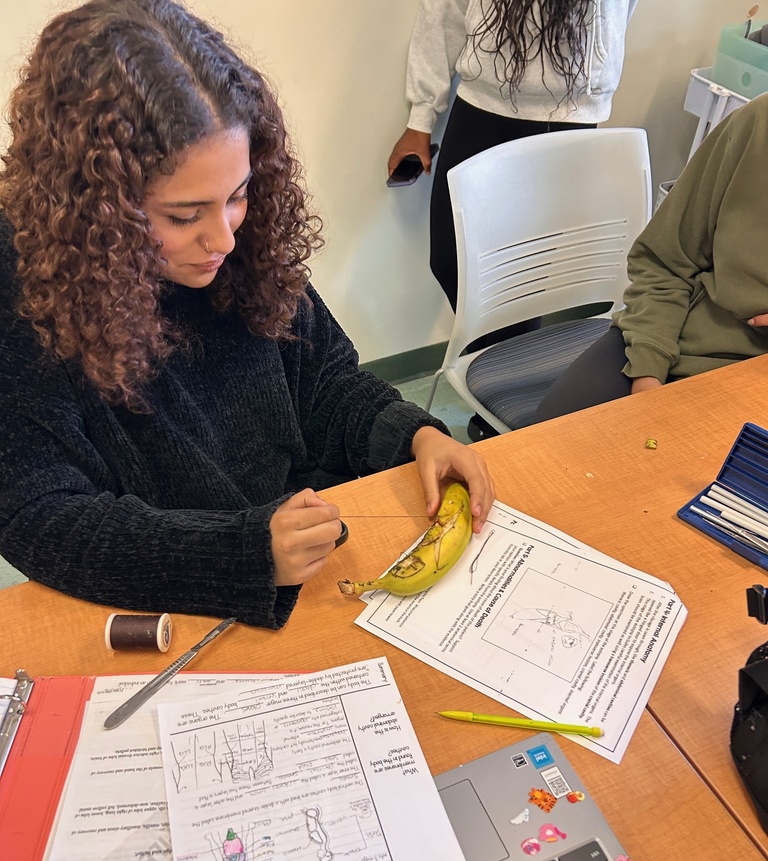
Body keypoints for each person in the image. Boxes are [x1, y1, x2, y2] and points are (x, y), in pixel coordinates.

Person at [0, 0, 494, 631]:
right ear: (97, 207)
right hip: (170, 599)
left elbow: (323, 386)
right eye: (184, 216)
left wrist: (415, 435)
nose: (224, 239)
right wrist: (240, 552)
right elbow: (40, 518)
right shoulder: (24, 288)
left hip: (306, 552)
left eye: (236, 196)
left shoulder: (243, 241)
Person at [527, 91, 768, 424]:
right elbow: (664, 262)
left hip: (750, 385)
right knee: (545, 448)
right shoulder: (757, 124)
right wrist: (648, 371)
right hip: (677, 339)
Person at [387, 0, 639, 312]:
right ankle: (493, 355)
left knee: (522, 281)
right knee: (449, 260)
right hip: (481, 101)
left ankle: (503, 358)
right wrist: (421, 118)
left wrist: (594, 64)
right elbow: (446, 8)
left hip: (567, 115)